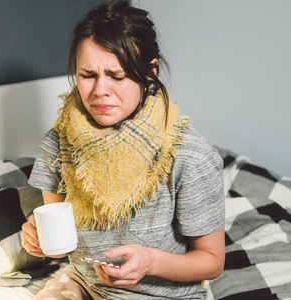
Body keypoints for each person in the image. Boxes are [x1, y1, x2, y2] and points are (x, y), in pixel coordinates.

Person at [21, 1, 225, 299]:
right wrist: (36, 238)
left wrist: (151, 261)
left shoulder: (189, 155)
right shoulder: (58, 144)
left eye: (116, 76)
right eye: (87, 75)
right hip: (83, 285)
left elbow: (212, 261)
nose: (100, 90)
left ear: (149, 72)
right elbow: (57, 233)